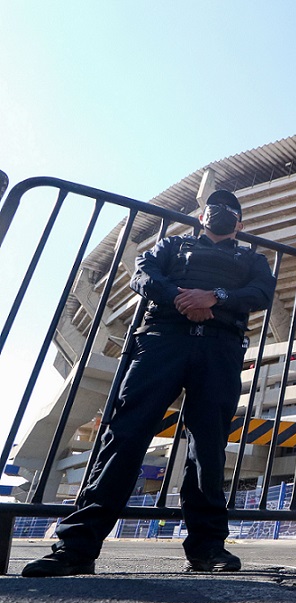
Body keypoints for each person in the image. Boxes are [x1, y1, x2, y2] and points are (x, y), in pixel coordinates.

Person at [22, 190, 276, 577]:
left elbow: (261, 292)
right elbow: (143, 274)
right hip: (162, 341)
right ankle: (77, 546)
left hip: (220, 348)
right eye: (213, 207)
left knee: (208, 448)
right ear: (201, 216)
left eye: (229, 209)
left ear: (239, 223)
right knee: (125, 435)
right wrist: (182, 297)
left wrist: (215, 297)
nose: (219, 212)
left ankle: (208, 549)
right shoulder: (173, 244)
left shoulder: (251, 258)